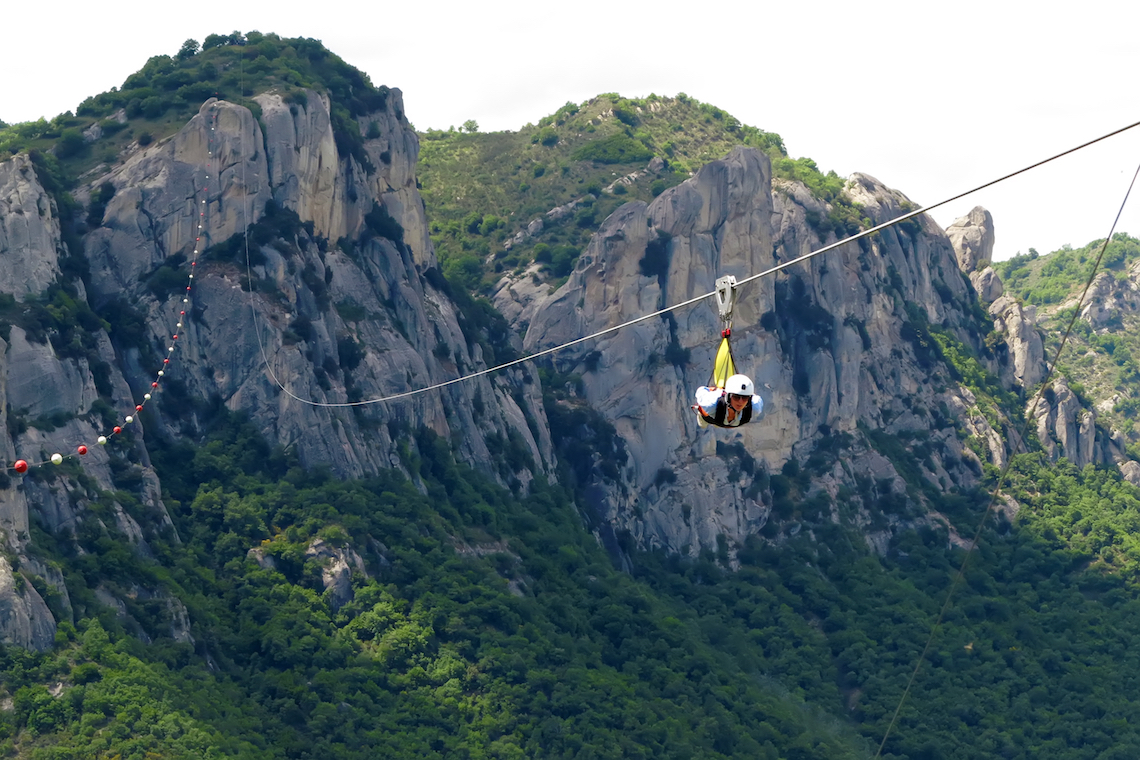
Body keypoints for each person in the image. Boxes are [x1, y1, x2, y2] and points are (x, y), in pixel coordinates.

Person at [692, 374, 763, 428]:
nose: (740, 402)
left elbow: (755, 397)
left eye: (745, 398)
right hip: (710, 416)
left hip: (722, 420)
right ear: (728, 396)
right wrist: (710, 389)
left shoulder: (755, 406)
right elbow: (700, 391)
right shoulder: (710, 403)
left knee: (718, 421)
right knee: (702, 425)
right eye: (736, 397)